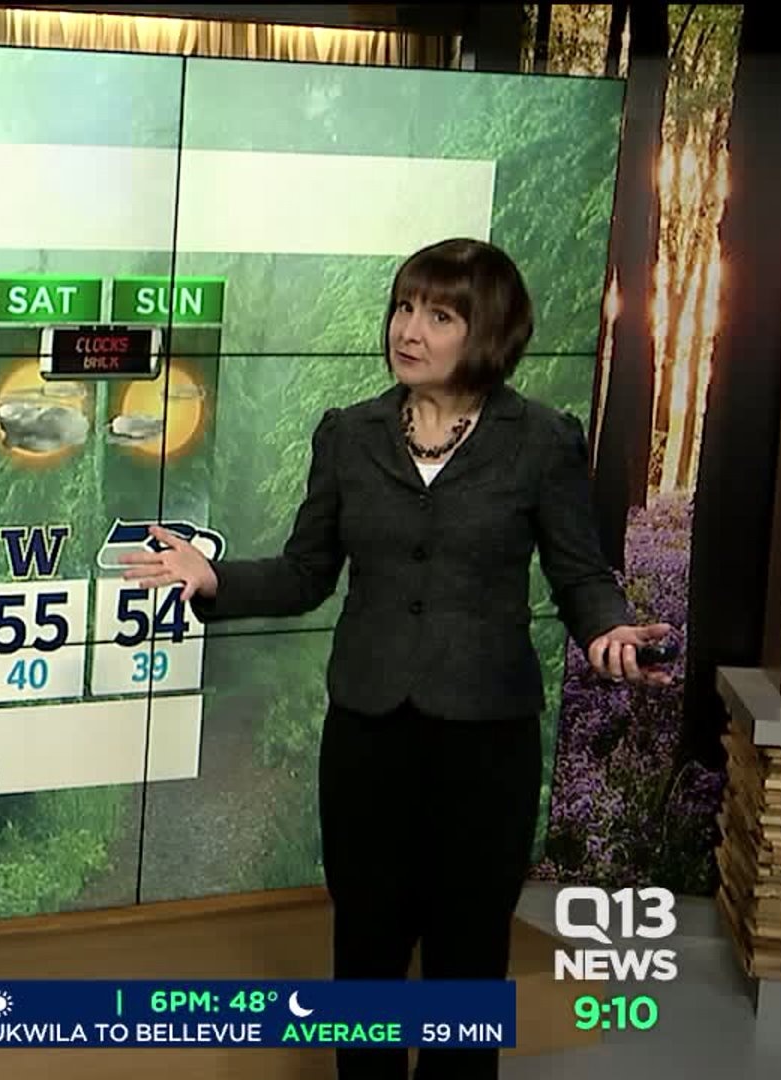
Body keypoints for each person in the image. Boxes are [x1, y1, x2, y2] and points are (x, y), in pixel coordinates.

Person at [119, 238, 672, 1080]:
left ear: (488, 331)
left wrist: (608, 632)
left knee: (467, 958)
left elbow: (580, 574)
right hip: (369, 734)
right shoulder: (349, 436)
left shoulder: (540, 442)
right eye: (404, 308)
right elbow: (306, 574)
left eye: (439, 315)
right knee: (368, 951)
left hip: (486, 737)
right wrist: (215, 578)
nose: (409, 330)